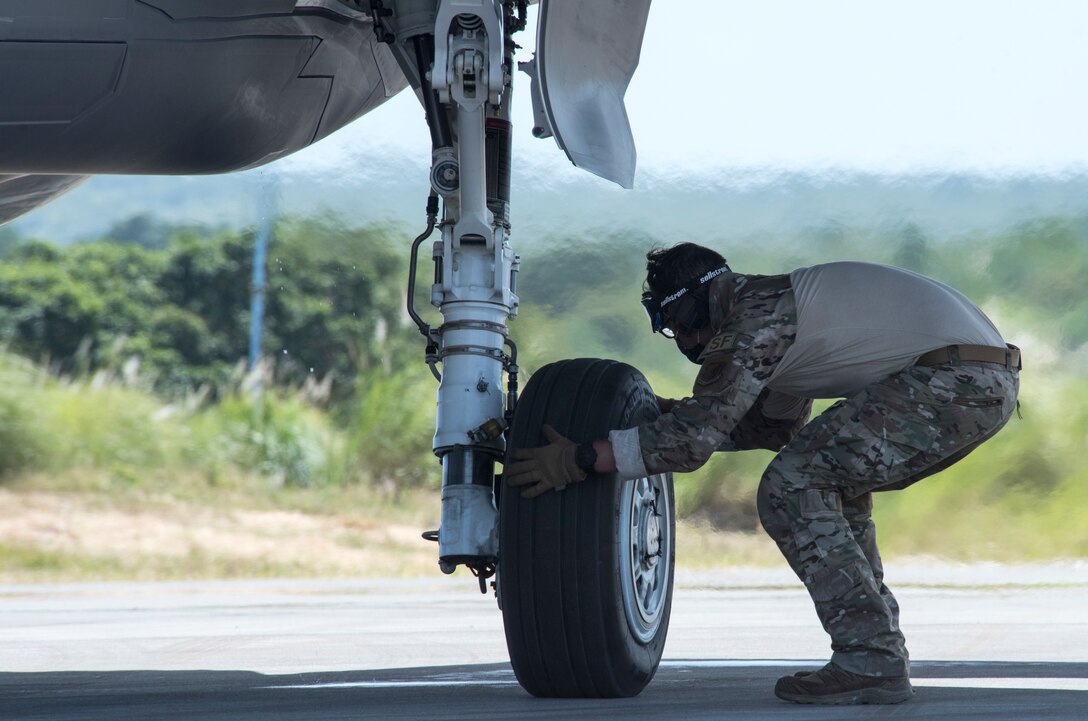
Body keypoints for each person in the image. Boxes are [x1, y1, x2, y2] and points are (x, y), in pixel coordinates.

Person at [505, 242, 1021, 705]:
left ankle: (871, 659)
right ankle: (875, 652)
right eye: (671, 330)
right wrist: (657, 416)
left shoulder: (756, 319)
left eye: (680, 322)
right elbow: (764, 427)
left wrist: (579, 459)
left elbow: (691, 445)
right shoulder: (784, 319)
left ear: (698, 300)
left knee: (791, 487)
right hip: (975, 381)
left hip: (952, 381)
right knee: (828, 482)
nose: (684, 340)